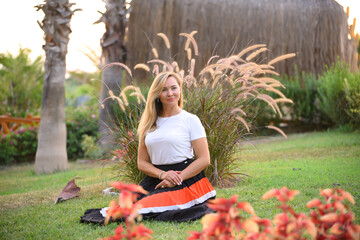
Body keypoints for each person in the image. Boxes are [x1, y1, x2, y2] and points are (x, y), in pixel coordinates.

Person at [80, 71, 216, 224]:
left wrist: (177, 178)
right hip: (155, 179)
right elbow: (142, 163)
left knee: (141, 209)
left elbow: (205, 159)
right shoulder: (148, 123)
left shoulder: (191, 120)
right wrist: (162, 175)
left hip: (185, 179)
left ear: (180, 89)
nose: (170, 93)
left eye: (173, 88)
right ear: (157, 94)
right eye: (164, 89)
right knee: (126, 208)